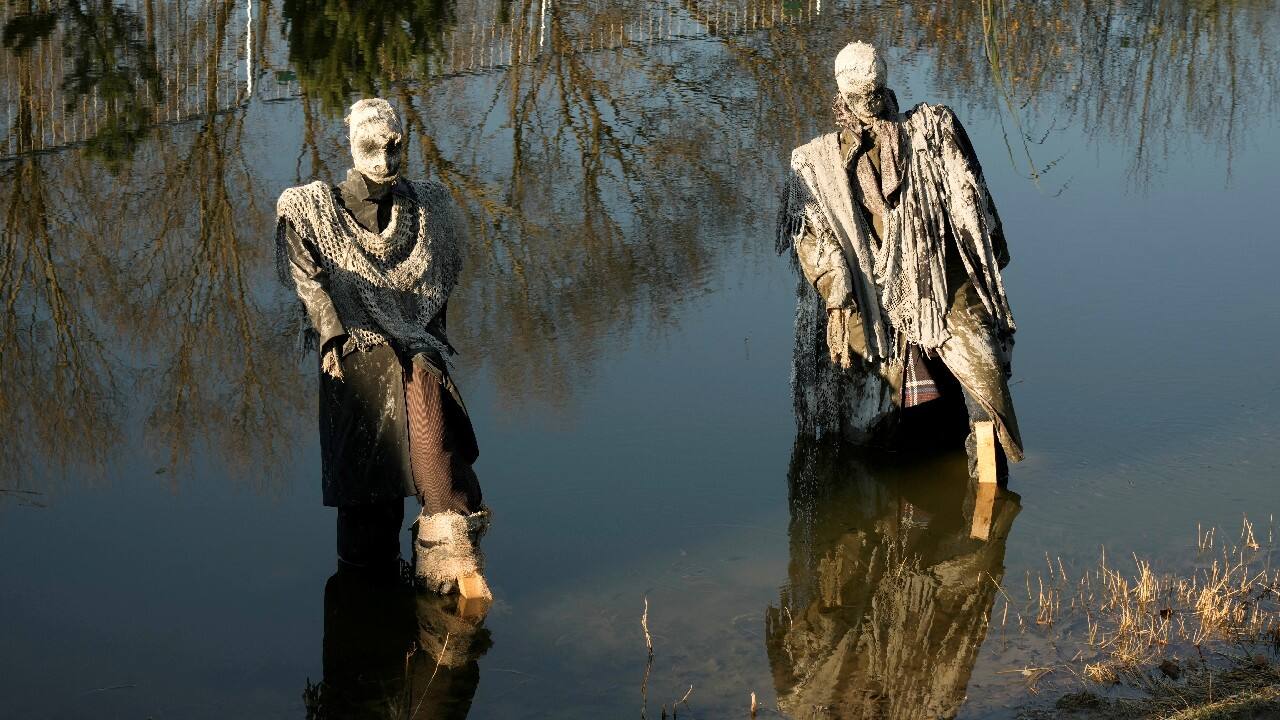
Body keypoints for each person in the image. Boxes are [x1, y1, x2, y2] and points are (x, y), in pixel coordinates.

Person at [777, 41, 1024, 476]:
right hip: (881, 310)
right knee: (935, 408)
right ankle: (975, 487)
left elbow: (974, 209)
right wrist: (841, 292)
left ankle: (988, 520)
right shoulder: (818, 165)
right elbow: (980, 215)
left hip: (941, 298)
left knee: (978, 398)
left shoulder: (932, 132)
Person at [276, 98, 489, 595]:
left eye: (395, 146)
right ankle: (364, 612)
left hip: (414, 348)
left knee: (436, 459)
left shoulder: (428, 207)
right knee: (369, 501)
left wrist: (428, 329)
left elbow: (440, 274)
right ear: (353, 146)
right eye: (373, 147)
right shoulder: (314, 210)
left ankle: (449, 573)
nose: (386, 159)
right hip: (356, 360)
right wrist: (330, 333)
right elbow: (308, 277)